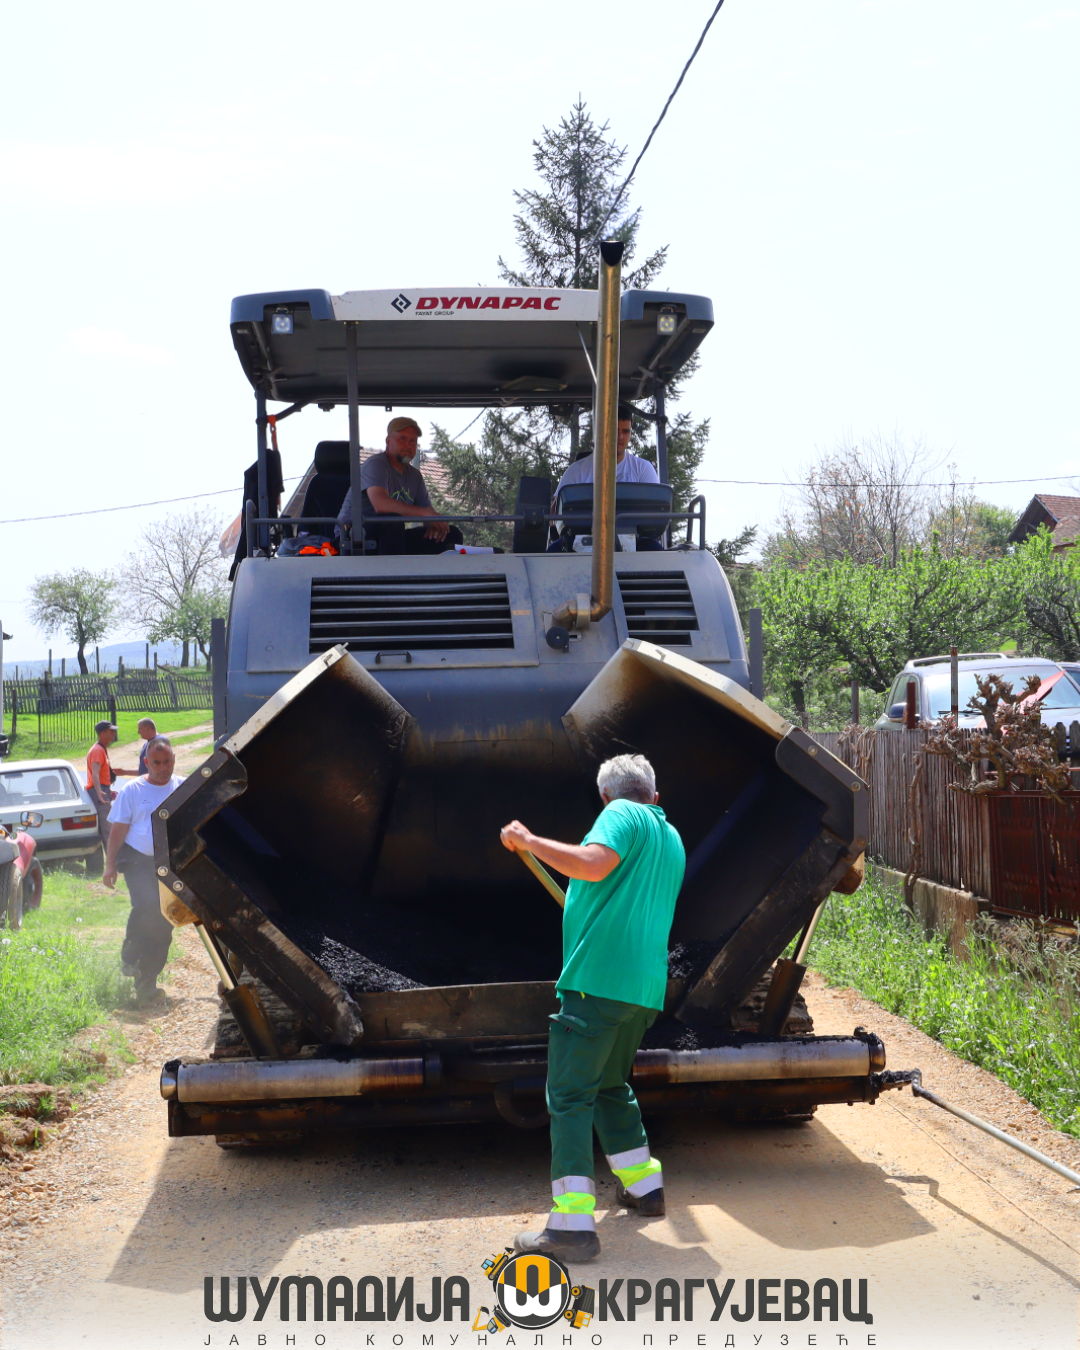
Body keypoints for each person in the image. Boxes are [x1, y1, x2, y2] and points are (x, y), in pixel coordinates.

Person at [500, 753, 686, 1263]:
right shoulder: (670, 837)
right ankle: (644, 1186)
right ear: (656, 794)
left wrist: (529, 840)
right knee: (608, 1085)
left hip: (597, 985)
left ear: (605, 797)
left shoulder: (621, 814)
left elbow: (593, 863)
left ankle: (571, 1228)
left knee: (568, 1096)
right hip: (642, 990)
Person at [102, 736, 185, 1005]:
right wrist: (110, 865)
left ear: (174, 759)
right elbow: (118, 831)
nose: (163, 768)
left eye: (167, 762)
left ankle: (147, 985)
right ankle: (130, 957)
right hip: (138, 860)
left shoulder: (183, 787)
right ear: (146, 762)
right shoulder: (133, 790)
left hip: (169, 865)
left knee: (164, 923)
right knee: (148, 905)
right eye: (157, 763)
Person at [336, 417, 464, 555]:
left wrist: (435, 525)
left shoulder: (415, 476)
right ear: (388, 441)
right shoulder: (376, 464)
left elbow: (429, 514)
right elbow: (381, 505)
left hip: (391, 537)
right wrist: (426, 514)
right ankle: (392, 569)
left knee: (452, 535)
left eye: (413, 441)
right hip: (353, 538)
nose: (408, 445)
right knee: (392, 522)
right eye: (402, 439)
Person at [549, 405, 664, 553]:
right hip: (581, 541)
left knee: (655, 550)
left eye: (625, 431)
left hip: (634, 542)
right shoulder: (577, 470)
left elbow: (654, 515)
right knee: (554, 550)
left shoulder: (643, 468)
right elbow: (556, 513)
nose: (620, 437)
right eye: (615, 431)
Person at [85, 721, 138, 845]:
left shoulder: (100, 749)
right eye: (111, 731)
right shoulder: (98, 750)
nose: (114, 734)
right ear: (103, 733)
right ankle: (114, 857)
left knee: (107, 828)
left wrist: (107, 790)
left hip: (102, 789)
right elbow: (95, 773)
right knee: (108, 830)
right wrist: (99, 792)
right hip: (99, 792)